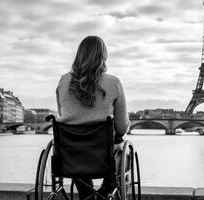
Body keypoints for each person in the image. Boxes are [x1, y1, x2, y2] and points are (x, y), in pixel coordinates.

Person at [56, 36, 130, 200]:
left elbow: (63, 116)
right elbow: (121, 127)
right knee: (124, 149)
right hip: (102, 155)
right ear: (103, 56)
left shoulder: (63, 81)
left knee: (77, 149)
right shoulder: (113, 83)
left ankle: (86, 194)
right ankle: (106, 190)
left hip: (71, 156)